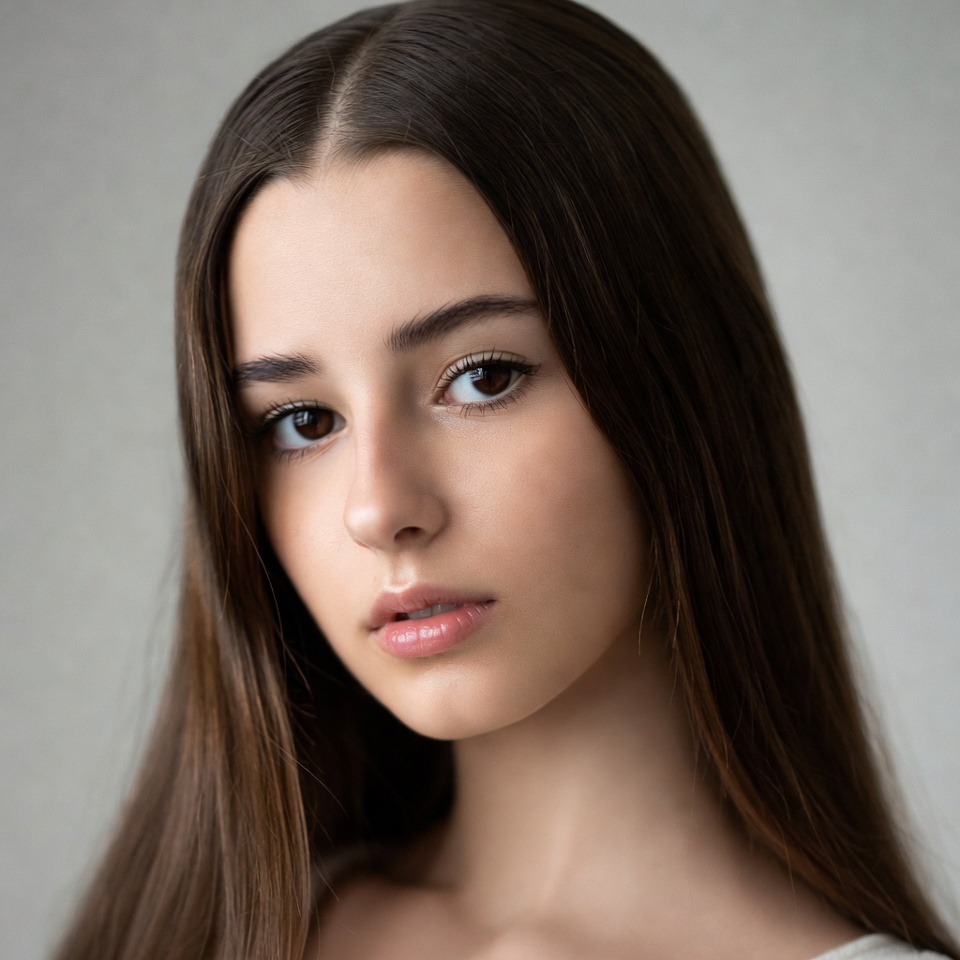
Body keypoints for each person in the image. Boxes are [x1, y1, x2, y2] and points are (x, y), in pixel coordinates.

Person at [53, 1, 958, 958]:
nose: (379, 508)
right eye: (303, 422)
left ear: (686, 380)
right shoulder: (200, 937)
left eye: (482, 378)